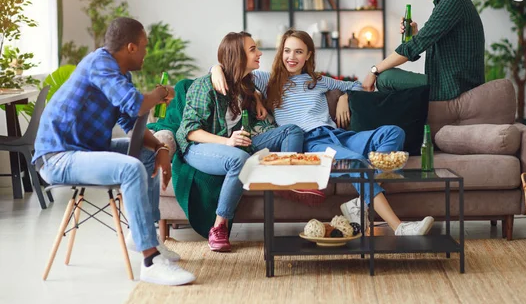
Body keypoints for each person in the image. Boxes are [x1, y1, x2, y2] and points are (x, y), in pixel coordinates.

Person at [212, 30, 434, 236]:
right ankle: (399, 226)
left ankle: (360, 202)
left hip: (336, 136)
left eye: (299, 52)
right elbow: (234, 71)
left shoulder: (318, 81)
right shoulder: (268, 80)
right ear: (281, 53)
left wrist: (344, 97)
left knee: (393, 132)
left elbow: (357, 86)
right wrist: (215, 69)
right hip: (310, 143)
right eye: (287, 51)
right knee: (357, 162)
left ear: (308, 55)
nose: (292, 57)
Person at [33, 17, 195, 286]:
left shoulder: (121, 75)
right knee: (129, 167)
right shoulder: (100, 63)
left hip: (86, 151)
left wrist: (160, 147)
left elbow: (131, 123)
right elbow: (135, 105)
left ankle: (145, 236)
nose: (146, 52)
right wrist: (161, 93)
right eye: (144, 46)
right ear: (131, 47)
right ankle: (150, 261)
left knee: (146, 154)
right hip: (57, 157)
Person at [176, 31, 305, 252]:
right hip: (199, 148)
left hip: (237, 145)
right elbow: (190, 131)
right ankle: (219, 227)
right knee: (240, 159)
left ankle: (284, 179)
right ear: (238, 56)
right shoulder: (205, 86)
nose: (260, 53)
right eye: (253, 49)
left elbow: (252, 89)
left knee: (292, 131)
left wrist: (256, 99)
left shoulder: (245, 84)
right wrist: (226, 142)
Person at [363, 0, 485, 101]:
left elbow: (414, 47)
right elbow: (423, 42)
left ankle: (406, 123)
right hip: (447, 81)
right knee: (387, 77)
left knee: (385, 78)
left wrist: (374, 70)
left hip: (454, 86)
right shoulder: (448, 0)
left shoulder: (452, 2)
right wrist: (415, 35)